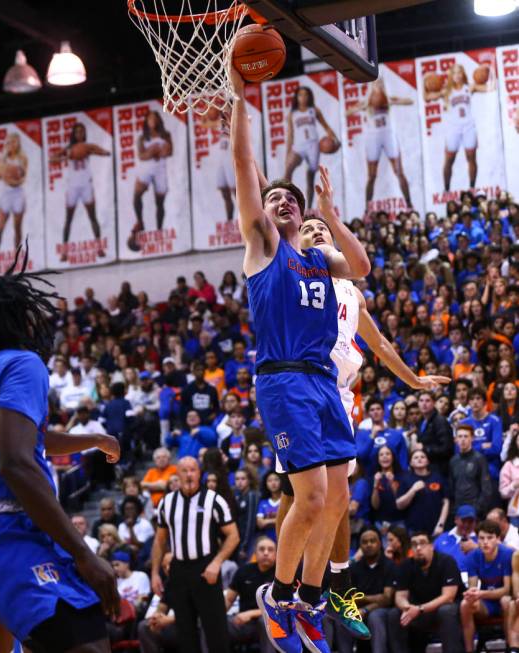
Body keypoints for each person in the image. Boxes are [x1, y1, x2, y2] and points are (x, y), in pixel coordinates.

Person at [231, 58, 372, 653]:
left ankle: (311, 602)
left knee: (338, 500)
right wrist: (240, 97)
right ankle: (279, 594)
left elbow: (362, 268)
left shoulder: (320, 259)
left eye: (293, 198)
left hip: (324, 384)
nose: (284, 201)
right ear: (265, 212)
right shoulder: (263, 248)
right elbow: (246, 166)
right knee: (310, 496)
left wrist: (330, 215)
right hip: (284, 379)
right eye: (276, 197)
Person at [274, 214, 447, 641]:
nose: (316, 232)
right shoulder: (294, 275)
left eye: (323, 230)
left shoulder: (351, 291)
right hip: (300, 387)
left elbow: (380, 344)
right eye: (308, 229)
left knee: (339, 496)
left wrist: (412, 379)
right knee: (294, 492)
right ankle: (290, 581)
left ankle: (333, 584)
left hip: (337, 395)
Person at [0, 251, 118, 651]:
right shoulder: (22, 363)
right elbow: (17, 463)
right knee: (86, 641)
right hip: (7, 531)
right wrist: (83, 552)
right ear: (16, 319)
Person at [150, 456, 240, 653]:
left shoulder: (214, 500)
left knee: (216, 630)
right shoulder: (167, 502)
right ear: (177, 474)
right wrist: (155, 573)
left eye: (193, 470)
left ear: (199, 473)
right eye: (184, 470)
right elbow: (159, 540)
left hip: (206, 568)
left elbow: (233, 536)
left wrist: (217, 562)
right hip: (179, 570)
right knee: (185, 631)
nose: (189, 474)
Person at [387, 531, 463, 653]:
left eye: (422, 543)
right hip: (419, 611)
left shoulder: (446, 562)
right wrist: (407, 608)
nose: (418, 548)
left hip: (442, 608)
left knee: (446, 611)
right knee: (394, 614)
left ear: (431, 546)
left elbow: (448, 597)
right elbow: (400, 596)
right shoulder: (406, 565)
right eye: (414, 544)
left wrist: (420, 609)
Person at [345, 76, 413, 210]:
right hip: (373, 137)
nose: (378, 84)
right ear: (371, 85)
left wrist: (393, 101)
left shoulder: (387, 98)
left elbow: (410, 101)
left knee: (399, 171)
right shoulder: (366, 101)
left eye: (381, 82)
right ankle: (367, 207)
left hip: (388, 135)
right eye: (376, 82)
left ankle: (409, 203)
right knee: (371, 176)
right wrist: (361, 107)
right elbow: (347, 112)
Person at [424, 62, 492, 191]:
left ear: (463, 74)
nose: (457, 75)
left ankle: (472, 187)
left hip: (468, 127)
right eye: (454, 73)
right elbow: (426, 97)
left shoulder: (470, 87)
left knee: (471, 158)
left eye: (459, 72)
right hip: (453, 128)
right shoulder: (446, 92)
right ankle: (447, 188)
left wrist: (491, 71)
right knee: (449, 160)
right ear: (451, 75)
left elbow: (490, 88)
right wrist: (424, 81)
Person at [329, 526, 395, 653]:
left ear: (380, 543)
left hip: (381, 610)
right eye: (365, 542)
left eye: (372, 541)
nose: (369, 545)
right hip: (357, 609)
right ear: (360, 545)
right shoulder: (354, 568)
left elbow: (387, 599)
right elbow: (347, 598)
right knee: (343, 617)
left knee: (375, 617)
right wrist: (372, 599)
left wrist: (364, 607)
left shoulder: (389, 565)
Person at [51, 121, 111, 261]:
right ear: (74, 134)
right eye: (77, 131)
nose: (80, 134)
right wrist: (67, 156)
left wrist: (105, 152)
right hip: (73, 186)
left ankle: (99, 247)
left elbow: (97, 149)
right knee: (69, 219)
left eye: (82, 131)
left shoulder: (87, 147)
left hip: (86, 186)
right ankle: (64, 252)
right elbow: (52, 159)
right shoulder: (68, 148)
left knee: (92, 216)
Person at [460, 519, 513, 652]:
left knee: (506, 601)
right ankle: (469, 650)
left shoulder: (507, 554)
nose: (485, 542)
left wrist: (481, 593)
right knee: (465, 604)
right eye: (481, 538)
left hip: (504, 599)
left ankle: (510, 646)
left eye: (490, 538)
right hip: (486, 603)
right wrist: (471, 594)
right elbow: (472, 585)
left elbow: (506, 589)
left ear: (498, 539)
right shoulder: (473, 556)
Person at [285, 85, 338, 207]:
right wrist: (288, 152)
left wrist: (335, 140)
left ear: (309, 97)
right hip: (299, 146)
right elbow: (290, 135)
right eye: (300, 95)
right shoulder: (292, 114)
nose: (303, 97)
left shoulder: (314, 110)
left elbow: (326, 127)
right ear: (296, 97)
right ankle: (287, 200)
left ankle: (307, 207)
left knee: (310, 178)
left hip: (313, 145)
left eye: (305, 95)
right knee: (288, 170)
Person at [129, 110, 172, 251]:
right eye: (150, 118)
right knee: (137, 194)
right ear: (146, 122)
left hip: (160, 168)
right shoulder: (142, 138)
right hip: (147, 167)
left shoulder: (166, 135)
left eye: (154, 118)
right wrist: (154, 152)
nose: (152, 121)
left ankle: (159, 229)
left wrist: (154, 152)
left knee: (159, 201)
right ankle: (140, 221)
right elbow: (141, 156)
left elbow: (169, 151)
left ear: (159, 120)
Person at [225, 535, 276, 653]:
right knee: (214, 624)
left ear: (276, 553)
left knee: (264, 622)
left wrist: (252, 613)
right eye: (262, 549)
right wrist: (216, 617)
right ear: (255, 553)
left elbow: (281, 606)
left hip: (272, 623)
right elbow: (228, 600)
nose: (266, 553)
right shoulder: (243, 571)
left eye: (270, 549)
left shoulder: (281, 575)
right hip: (244, 624)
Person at [396, 449, 449, 537]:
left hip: (435, 528)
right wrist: (412, 490)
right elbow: (399, 505)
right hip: (413, 529)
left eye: (422, 457)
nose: (419, 459)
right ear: (411, 463)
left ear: (427, 461)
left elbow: (446, 502)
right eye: (416, 457)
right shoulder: (405, 479)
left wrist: (441, 524)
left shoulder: (437, 477)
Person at [0, 132, 27, 262]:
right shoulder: (2, 159)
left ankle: (17, 256)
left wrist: (13, 177)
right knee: (0, 228)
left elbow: (22, 178)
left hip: (18, 193)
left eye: (14, 142)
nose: (12, 144)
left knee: (17, 227)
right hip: (6, 194)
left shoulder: (22, 159)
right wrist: (5, 170)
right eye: (9, 142)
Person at [449, 424, 493, 517]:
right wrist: (454, 508)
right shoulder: (453, 460)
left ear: (472, 438)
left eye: (466, 436)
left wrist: (477, 508)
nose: (462, 439)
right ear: (455, 439)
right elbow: (451, 487)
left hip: (475, 509)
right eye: (460, 436)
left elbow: (486, 489)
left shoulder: (479, 459)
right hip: (458, 508)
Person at [461, 388, 504, 481]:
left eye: (478, 398)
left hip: (491, 468)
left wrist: (472, 448)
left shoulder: (495, 421)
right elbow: (460, 450)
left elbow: (497, 449)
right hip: (469, 467)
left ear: (484, 402)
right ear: (468, 403)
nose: (475, 402)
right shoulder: (463, 423)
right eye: (472, 399)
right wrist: (482, 446)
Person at [414, 390, 454, 476]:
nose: (424, 404)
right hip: (426, 468)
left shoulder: (440, 421)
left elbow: (447, 448)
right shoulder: (421, 421)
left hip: (439, 468)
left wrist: (425, 448)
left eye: (427, 401)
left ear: (434, 403)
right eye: (421, 400)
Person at [434, 504, 479, 573]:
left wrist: (477, 548)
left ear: (475, 523)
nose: (466, 525)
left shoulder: (481, 540)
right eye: (463, 521)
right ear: (456, 520)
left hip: (471, 578)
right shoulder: (441, 539)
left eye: (470, 521)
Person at [181, 360, 220, 425]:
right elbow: (183, 409)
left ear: (205, 372)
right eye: (198, 370)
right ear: (193, 372)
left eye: (202, 370)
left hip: (209, 421)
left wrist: (214, 414)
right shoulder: (187, 389)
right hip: (192, 423)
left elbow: (216, 407)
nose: (200, 372)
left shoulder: (212, 389)